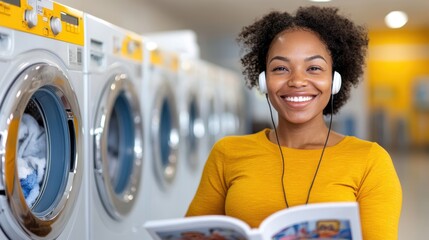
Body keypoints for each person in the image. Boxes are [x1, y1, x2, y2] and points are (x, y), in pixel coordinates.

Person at [186, 6, 402, 240]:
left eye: (314, 68)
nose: (297, 81)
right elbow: (191, 235)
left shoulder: (370, 161)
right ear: (263, 81)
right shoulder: (227, 153)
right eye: (280, 68)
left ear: (335, 80)